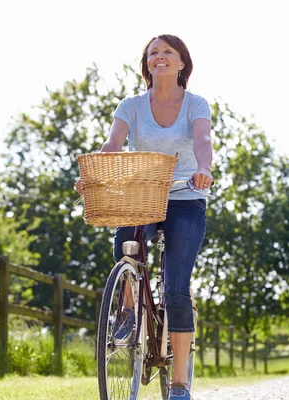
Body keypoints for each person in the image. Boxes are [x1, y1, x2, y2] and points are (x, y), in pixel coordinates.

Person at [74, 34, 212, 400]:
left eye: (168, 52)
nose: (160, 56)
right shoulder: (131, 106)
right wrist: (95, 175)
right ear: (147, 64)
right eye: (153, 52)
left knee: (176, 289)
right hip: (143, 195)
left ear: (182, 63)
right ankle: (128, 311)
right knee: (126, 245)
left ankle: (180, 384)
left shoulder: (196, 104)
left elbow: (203, 141)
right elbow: (112, 145)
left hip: (185, 196)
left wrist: (203, 168)